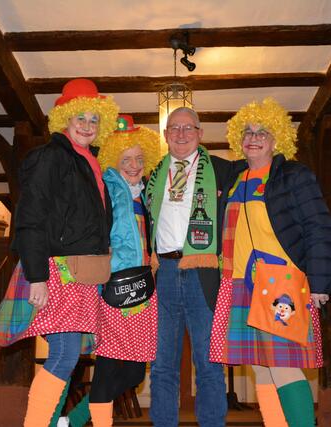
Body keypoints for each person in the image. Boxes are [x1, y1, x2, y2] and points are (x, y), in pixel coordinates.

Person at [0, 78, 119, 427]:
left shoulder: (89, 162)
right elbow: (30, 218)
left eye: (94, 119)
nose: (87, 125)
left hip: (82, 272)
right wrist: (37, 276)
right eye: (80, 118)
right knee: (64, 355)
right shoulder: (51, 157)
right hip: (57, 270)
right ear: (65, 120)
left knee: (66, 356)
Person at [209, 98, 331, 427]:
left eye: (262, 132)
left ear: (277, 139)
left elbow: (319, 227)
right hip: (240, 283)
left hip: (281, 282)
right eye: (247, 132)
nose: (253, 138)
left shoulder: (293, 175)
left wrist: (320, 282)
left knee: (283, 366)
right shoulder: (235, 180)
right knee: (260, 367)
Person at [56, 114, 161, 427]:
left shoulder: (148, 193)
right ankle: (78, 421)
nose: (134, 165)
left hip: (143, 288)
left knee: (134, 372)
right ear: (114, 160)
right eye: (126, 159)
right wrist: (102, 252)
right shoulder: (106, 188)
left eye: (139, 158)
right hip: (112, 286)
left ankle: (72, 420)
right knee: (108, 366)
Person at [145, 107, 237, 427]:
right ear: (165, 134)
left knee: (210, 363)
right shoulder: (151, 176)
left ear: (200, 133)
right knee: (162, 366)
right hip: (163, 273)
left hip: (204, 273)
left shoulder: (224, 171)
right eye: (174, 128)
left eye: (188, 128)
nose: (181, 134)